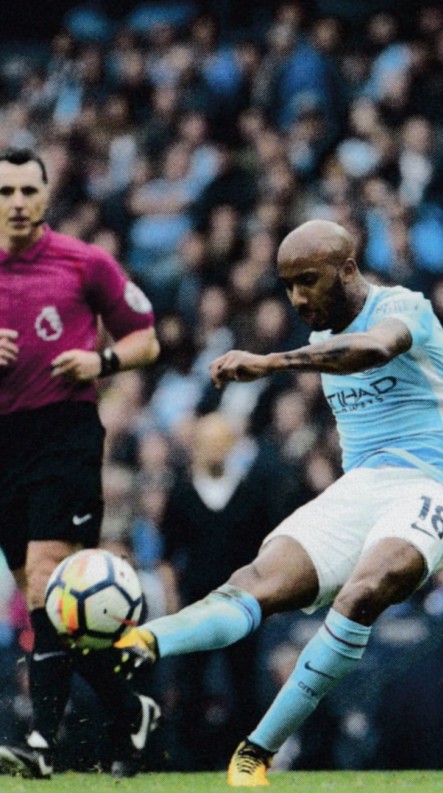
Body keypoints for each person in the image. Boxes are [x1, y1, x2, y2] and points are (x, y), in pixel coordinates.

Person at [114, 219, 443, 786]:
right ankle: (144, 642)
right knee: (255, 580)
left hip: (431, 486)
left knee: (363, 590)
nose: (299, 297)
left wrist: (271, 362)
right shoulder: (318, 339)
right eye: (288, 285)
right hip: (361, 488)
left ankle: (256, 751)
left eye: (309, 280)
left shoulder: (405, 308)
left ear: (348, 269)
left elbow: (374, 350)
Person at [0, 147, 162, 778]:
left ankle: (42, 743)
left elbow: (146, 336)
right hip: (4, 444)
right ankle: (130, 710)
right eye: (5, 190)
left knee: (46, 576)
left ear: (46, 196)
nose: (16, 202)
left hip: (64, 434)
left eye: (26, 191)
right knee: (46, 603)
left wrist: (103, 363)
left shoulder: (84, 262)